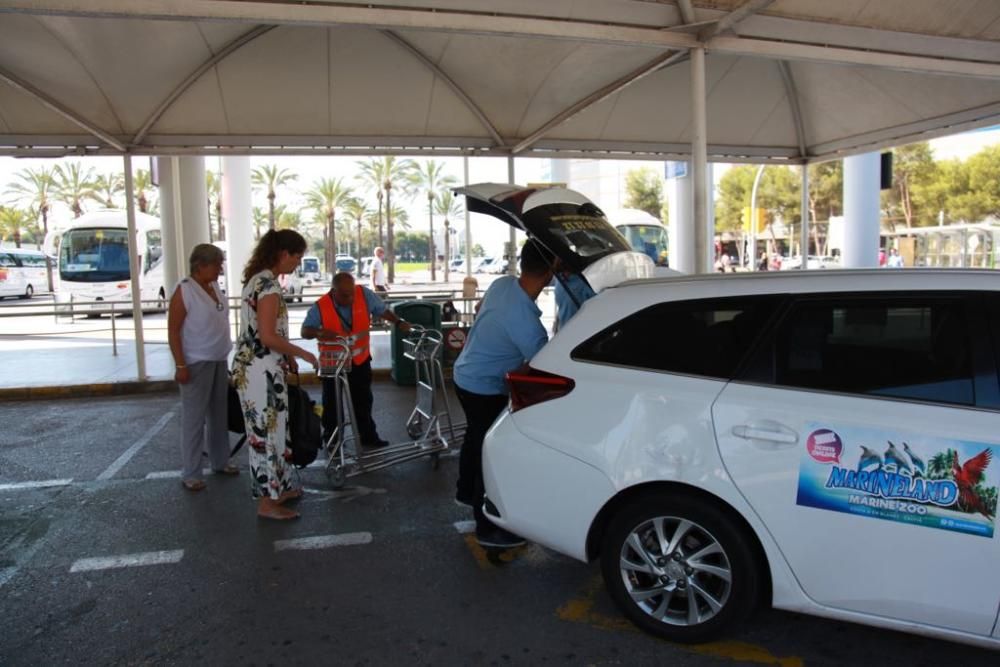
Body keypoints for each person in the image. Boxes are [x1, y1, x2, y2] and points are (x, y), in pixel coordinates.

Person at [453, 241, 555, 548]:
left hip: (463, 375)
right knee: (490, 453)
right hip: (484, 387)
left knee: (475, 438)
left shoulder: (502, 284)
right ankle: (487, 528)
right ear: (550, 273)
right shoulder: (529, 326)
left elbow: (482, 310)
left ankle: (464, 491)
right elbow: (539, 367)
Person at [231, 229, 317, 521]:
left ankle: (281, 487)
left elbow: (264, 332)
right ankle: (267, 502)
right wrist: (302, 352)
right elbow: (268, 336)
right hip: (260, 370)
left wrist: (288, 355)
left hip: (258, 366)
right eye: (297, 256)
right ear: (283, 254)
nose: (297, 262)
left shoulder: (256, 281)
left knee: (276, 430)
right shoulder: (268, 286)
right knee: (265, 434)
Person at [301, 271, 411, 448]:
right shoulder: (320, 306)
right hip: (333, 365)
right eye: (345, 295)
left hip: (360, 361)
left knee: (363, 401)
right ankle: (333, 440)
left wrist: (398, 322)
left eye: (352, 292)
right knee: (332, 405)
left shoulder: (364, 294)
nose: (351, 298)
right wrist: (319, 332)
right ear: (334, 291)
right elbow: (304, 331)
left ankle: (368, 437)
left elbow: (382, 311)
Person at [167, 243, 235, 492]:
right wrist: (180, 364)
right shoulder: (185, 290)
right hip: (196, 361)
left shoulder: (214, 286)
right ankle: (191, 472)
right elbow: (173, 331)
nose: (220, 269)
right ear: (201, 265)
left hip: (218, 358)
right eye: (217, 264)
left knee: (219, 415)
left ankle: (220, 461)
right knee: (194, 419)